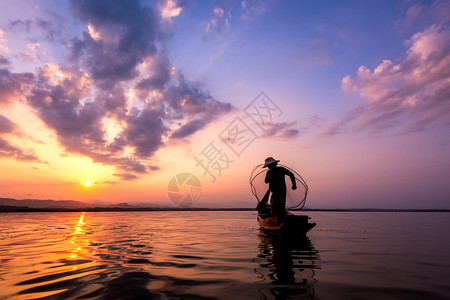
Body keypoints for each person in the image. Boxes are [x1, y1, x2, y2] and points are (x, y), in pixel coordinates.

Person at [263, 157, 296, 223]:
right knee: (274, 208)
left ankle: (280, 221)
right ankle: (275, 220)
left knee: (280, 207)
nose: (269, 167)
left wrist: (294, 184)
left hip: (281, 192)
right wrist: (271, 176)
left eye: (270, 165)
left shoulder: (281, 170)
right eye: (268, 166)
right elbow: (266, 181)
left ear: (275, 164)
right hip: (274, 192)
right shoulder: (269, 172)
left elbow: (291, 175)